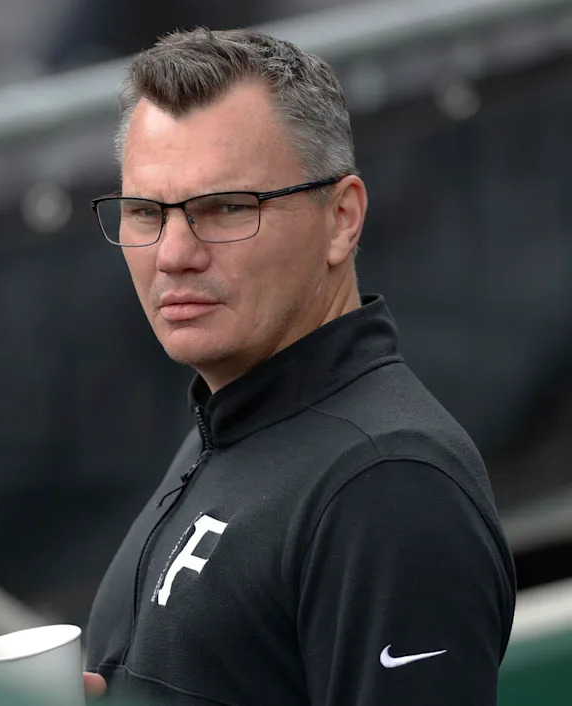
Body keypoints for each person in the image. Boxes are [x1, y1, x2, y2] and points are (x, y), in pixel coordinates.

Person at [82, 28, 516, 705]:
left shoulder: (387, 483)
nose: (172, 254)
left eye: (224, 208)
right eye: (146, 213)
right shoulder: (233, 417)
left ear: (342, 218)